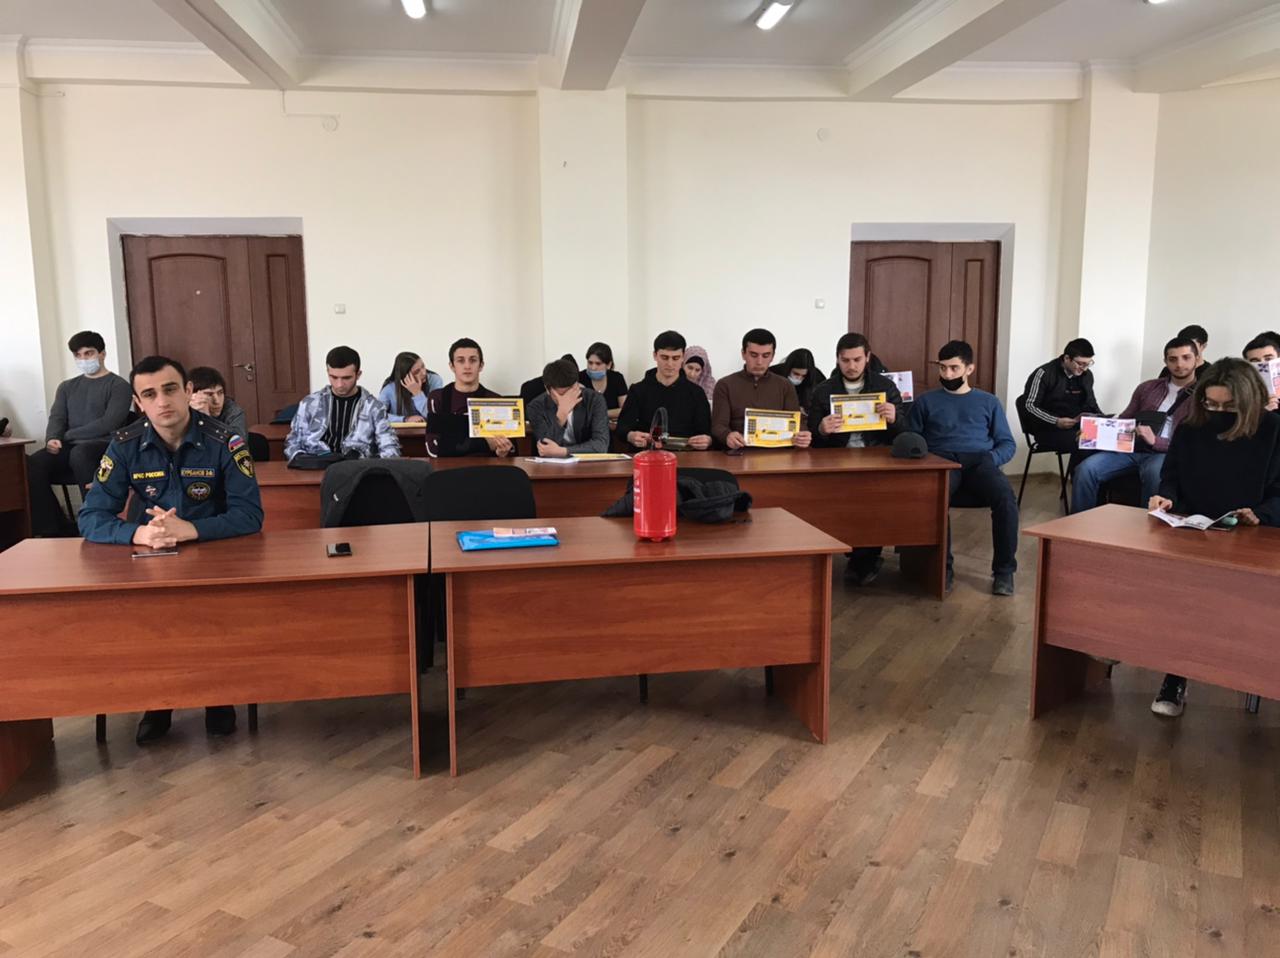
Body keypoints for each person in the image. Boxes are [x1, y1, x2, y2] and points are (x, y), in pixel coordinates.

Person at [78, 354, 264, 743]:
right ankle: (158, 702)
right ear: (137, 402)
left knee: (209, 617)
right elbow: (91, 516)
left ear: (188, 391)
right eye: (149, 394)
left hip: (212, 552)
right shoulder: (124, 445)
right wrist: (137, 534)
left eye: (170, 389)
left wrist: (191, 529)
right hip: (150, 555)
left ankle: (218, 698)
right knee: (152, 625)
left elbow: (250, 515)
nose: (162, 401)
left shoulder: (225, 441)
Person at [1147, 358, 1280, 717]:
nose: (1218, 413)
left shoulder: (1272, 429)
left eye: (1228, 407)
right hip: (1193, 526)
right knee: (1181, 597)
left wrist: (1261, 514)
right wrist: (1166, 497)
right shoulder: (1192, 426)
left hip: (1253, 534)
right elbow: (1171, 475)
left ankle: (1252, 671)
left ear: (1249, 401)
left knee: (1244, 607)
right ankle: (1175, 675)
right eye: (1212, 404)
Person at [906, 340, 1018, 596]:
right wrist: (925, 461)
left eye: (954, 368)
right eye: (943, 368)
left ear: (969, 369)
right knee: (936, 499)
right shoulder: (926, 401)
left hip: (981, 460)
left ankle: (1004, 572)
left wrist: (991, 458)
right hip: (942, 461)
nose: (947, 374)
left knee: (1005, 498)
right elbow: (911, 439)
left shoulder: (989, 402)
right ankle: (942, 569)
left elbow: (1007, 443)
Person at [809, 332, 904, 585]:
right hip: (836, 458)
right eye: (845, 360)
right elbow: (811, 439)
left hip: (877, 457)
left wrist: (895, 418)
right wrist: (821, 429)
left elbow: (906, 433)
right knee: (835, 501)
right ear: (837, 359)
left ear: (867, 358)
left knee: (873, 501)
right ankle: (854, 555)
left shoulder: (886, 387)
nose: (851, 366)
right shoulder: (823, 390)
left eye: (857, 360)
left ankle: (864, 558)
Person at [1070, 337, 1199, 514]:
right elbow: (1125, 419)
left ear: (1197, 359)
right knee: (1086, 470)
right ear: (1165, 361)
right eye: (1173, 359)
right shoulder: (1147, 388)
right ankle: (1079, 523)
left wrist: (1156, 441)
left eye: (1186, 357)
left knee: (1155, 475)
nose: (1179, 364)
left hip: (1164, 454)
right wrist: (1093, 430)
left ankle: (1145, 527)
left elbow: (1192, 443)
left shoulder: (1201, 397)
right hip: (1132, 448)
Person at [26, 330, 133, 536]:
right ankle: (53, 527)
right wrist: (53, 438)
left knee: (80, 454)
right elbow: (57, 417)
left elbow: (108, 423)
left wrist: (67, 436)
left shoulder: (119, 386)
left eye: (88, 353)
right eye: (78, 355)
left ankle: (93, 520)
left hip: (104, 445)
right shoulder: (67, 387)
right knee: (33, 463)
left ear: (102, 354)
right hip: (71, 446)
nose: (83, 359)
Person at [284, 346, 398, 462]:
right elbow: (293, 442)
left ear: (358, 374)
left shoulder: (374, 408)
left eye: (346, 378)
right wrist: (301, 458)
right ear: (328, 372)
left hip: (356, 467)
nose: (339, 384)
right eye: (334, 377)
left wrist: (366, 460)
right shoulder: (310, 403)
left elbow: (390, 449)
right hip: (316, 465)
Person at [711, 328, 812, 450]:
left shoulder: (785, 385)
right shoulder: (725, 385)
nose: (759, 362)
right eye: (753, 355)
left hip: (778, 453)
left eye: (766, 356)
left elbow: (797, 422)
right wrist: (727, 435)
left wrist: (803, 435)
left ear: (773, 356)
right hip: (739, 451)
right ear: (743, 354)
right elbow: (718, 425)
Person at [616, 330, 713, 450]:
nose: (670, 364)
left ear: (683, 357)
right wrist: (630, 436)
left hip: (685, 455)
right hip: (647, 454)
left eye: (675, 358)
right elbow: (622, 428)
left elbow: (706, 431)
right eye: (664, 357)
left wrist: (707, 440)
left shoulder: (697, 393)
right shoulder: (638, 390)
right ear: (655, 355)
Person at [425, 338, 514, 458]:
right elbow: (434, 448)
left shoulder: (496, 401)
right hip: (448, 468)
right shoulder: (438, 398)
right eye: (460, 361)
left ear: (481, 365)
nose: (467, 366)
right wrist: (485, 444)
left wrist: (502, 452)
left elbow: (512, 450)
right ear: (452, 366)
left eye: (473, 360)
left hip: (486, 467)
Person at [1020, 338, 1102, 453]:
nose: (1084, 369)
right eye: (1080, 364)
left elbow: (1091, 403)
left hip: (1077, 426)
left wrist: (1104, 420)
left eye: (1088, 364)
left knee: (1102, 439)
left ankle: (1083, 466)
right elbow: (1030, 406)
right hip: (1048, 429)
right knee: (1085, 442)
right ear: (1067, 358)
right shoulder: (1044, 373)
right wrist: (1056, 421)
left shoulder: (1086, 375)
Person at [527, 359, 610, 457]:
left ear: (577, 385)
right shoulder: (536, 407)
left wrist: (564, 451)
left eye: (571, 392)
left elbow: (601, 445)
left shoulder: (595, 400)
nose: (567, 398)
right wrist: (561, 417)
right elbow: (545, 447)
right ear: (548, 390)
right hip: (551, 463)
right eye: (561, 394)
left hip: (587, 461)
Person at [378, 351, 443, 422]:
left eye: (423, 366)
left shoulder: (434, 380)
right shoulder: (389, 389)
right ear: (405, 376)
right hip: (399, 429)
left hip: (430, 428)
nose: (424, 373)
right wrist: (405, 419)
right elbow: (378, 415)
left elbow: (436, 415)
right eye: (417, 372)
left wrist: (418, 394)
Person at [188, 366, 248, 439]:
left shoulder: (233, 411)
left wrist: (206, 420)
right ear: (192, 396)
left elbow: (237, 444)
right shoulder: (183, 412)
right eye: (209, 394)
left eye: (220, 393)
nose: (217, 401)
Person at [579, 342, 628, 424]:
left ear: (609, 365)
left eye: (598, 364)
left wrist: (600, 414)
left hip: (612, 426)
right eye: (590, 363)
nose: (593, 368)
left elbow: (625, 409)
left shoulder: (617, 378)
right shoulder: (580, 378)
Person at [771, 347, 826, 412]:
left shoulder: (818, 378)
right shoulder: (774, 373)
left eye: (803, 376)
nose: (799, 378)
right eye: (796, 374)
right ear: (788, 369)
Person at [1242, 332, 1280, 413]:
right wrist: (1263, 412)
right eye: (1255, 361)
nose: (1263, 364)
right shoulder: (1242, 392)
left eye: (1268, 359)